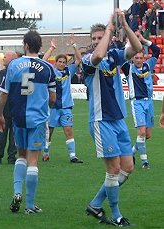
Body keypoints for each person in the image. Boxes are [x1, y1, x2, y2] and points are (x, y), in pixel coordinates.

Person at [82, 9, 142, 226]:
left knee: (128, 167)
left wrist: (124, 25)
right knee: (114, 169)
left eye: (101, 37)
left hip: (118, 119)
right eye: (94, 39)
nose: (98, 41)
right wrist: (108, 29)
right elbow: (98, 55)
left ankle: (96, 204)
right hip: (101, 121)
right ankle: (116, 215)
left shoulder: (114, 57)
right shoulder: (89, 60)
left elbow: (137, 48)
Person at [0, 30, 57, 214]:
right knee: (33, 160)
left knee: (21, 156)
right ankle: (30, 205)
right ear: (39, 46)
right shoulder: (48, 68)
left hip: (18, 118)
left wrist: (0, 115)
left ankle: (16, 193)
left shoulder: (13, 65)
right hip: (37, 119)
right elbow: (53, 99)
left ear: (26, 45)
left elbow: (4, 93)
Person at [121, 31, 160, 169]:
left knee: (147, 135)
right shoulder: (129, 69)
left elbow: (157, 50)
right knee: (141, 132)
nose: (138, 60)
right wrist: (129, 42)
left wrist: (143, 40)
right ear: (133, 59)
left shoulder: (148, 66)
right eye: (136, 58)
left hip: (149, 102)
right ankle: (144, 162)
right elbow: (122, 56)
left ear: (144, 58)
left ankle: (130, 152)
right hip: (137, 102)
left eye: (140, 58)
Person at [41, 36, 83, 163]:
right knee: (50, 132)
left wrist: (74, 45)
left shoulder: (69, 71)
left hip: (66, 107)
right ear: (56, 62)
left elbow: (79, 59)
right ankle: (46, 153)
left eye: (64, 62)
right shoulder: (52, 71)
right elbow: (43, 60)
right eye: (59, 61)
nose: (62, 64)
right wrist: (52, 48)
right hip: (53, 106)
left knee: (69, 130)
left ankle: (73, 156)